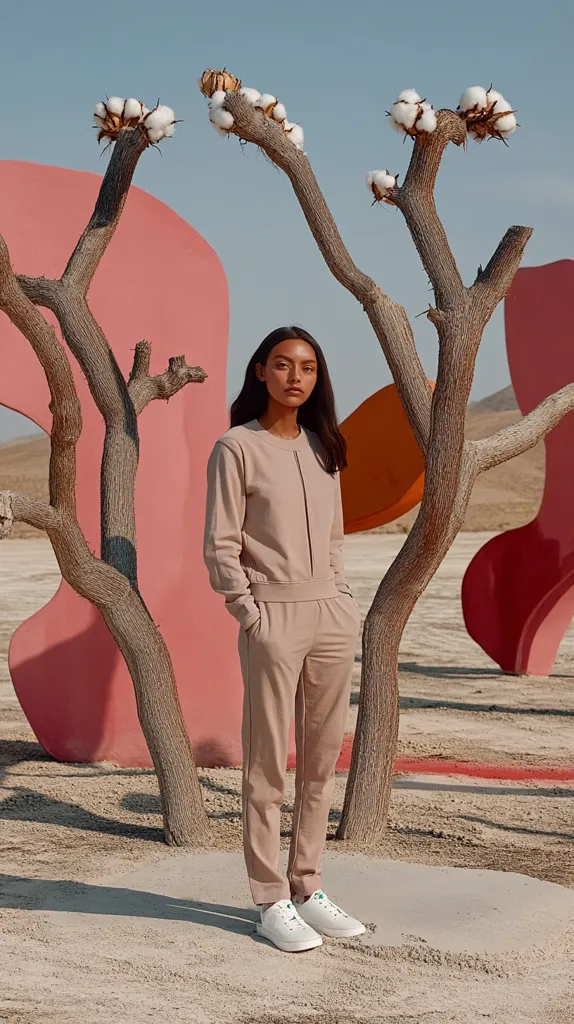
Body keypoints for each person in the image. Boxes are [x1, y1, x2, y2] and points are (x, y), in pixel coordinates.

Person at [204, 326, 366, 953]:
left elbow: (334, 538)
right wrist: (250, 613)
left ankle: (308, 885)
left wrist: (342, 600)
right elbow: (221, 544)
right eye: (282, 364)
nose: (295, 377)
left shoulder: (325, 447)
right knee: (268, 764)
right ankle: (269, 898)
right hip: (272, 618)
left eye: (307, 367)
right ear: (260, 371)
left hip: (330, 617)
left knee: (320, 761)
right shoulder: (235, 447)